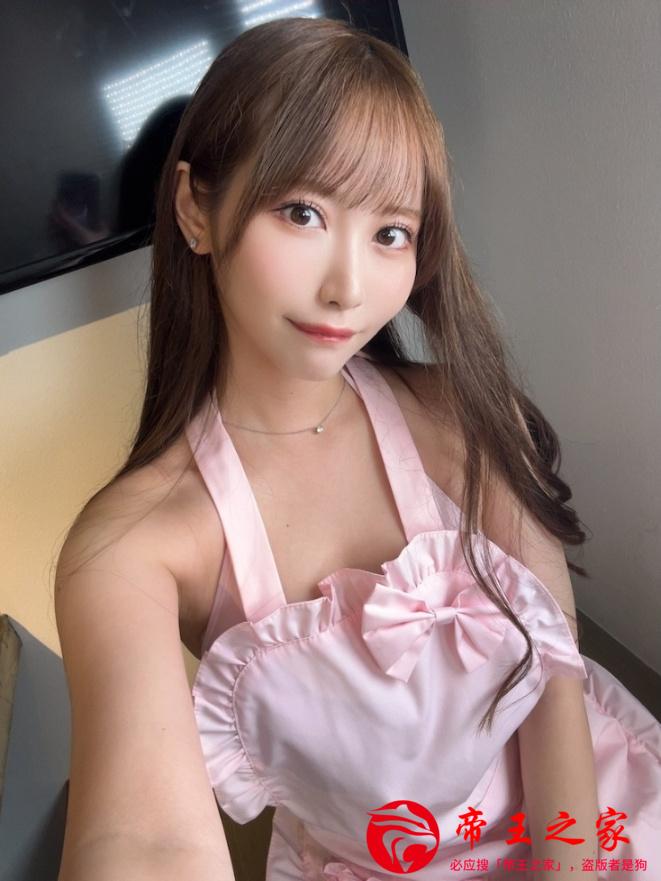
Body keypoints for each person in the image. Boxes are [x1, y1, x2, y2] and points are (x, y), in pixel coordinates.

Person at [54, 16, 660, 881]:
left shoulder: (467, 414)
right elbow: (147, 843)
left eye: (390, 233)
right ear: (195, 208)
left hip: (581, 816)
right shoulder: (130, 548)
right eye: (302, 212)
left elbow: (554, 679)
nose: (348, 286)